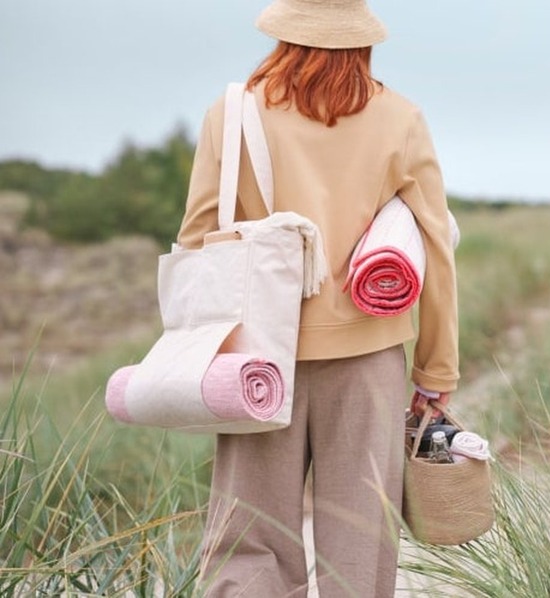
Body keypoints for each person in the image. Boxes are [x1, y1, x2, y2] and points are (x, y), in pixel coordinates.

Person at [177, 1, 459, 595]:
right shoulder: (400, 119)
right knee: (358, 540)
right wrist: (437, 371)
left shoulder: (231, 114)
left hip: (255, 356)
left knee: (248, 538)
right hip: (368, 355)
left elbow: (198, 238)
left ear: (284, 31)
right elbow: (435, 250)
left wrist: (201, 347)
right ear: (362, 38)